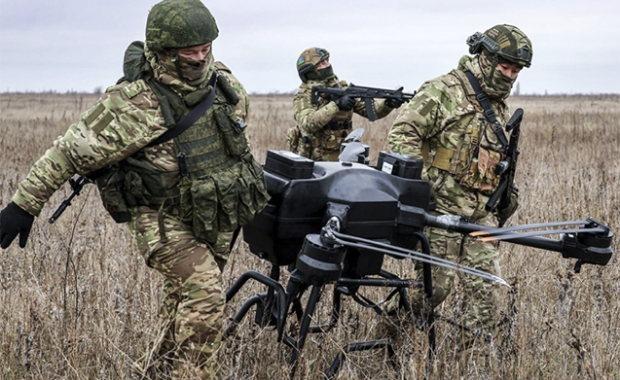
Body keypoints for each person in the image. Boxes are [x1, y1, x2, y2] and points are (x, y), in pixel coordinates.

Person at [0, 0, 269, 378]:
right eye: (189, 51)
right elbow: (67, 152)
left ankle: (158, 371)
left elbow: (236, 129)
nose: (200, 57)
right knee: (206, 296)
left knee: (183, 304)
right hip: (161, 218)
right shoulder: (134, 104)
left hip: (212, 210)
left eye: (205, 48)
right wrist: (23, 206)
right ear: (162, 52)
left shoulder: (222, 80)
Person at [386, 25, 532, 352]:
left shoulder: (498, 105)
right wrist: (424, 187)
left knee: (488, 295)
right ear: (484, 57)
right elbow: (401, 136)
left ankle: (465, 363)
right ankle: (390, 334)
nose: (509, 76)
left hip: (481, 213)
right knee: (434, 289)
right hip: (440, 211)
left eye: (515, 70)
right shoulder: (443, 90)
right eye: (504, 67)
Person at [289, 47, 404, 161]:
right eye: (322, 63)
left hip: (344, 155)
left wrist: (388, 104)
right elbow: (307, 124)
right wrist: (337, 105)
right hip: (316, 158)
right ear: (310, 71)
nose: (328, 65)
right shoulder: (304, 96)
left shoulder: (341, 88)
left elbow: (370, 112)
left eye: (327, 61)